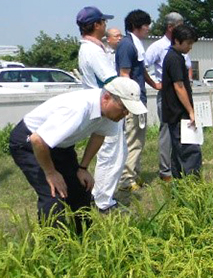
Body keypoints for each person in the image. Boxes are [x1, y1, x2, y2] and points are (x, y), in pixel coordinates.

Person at [9, 78, 146, 231]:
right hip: (30, 143)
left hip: (60, 146)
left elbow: (99, 135)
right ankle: (53, 246)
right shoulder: (78, 108)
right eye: (124, 108)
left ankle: (83, 238)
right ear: (107, 97)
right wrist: (51, 173)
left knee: (81, 190)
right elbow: (37, 140)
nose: (126, 113)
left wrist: (82, 168)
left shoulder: (110, 113)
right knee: (54, 194)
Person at [76, 6, 127, 213]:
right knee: (112, 154)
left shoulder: (91, 48)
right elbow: (111, 81)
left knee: (111, 152)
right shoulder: (93, 51)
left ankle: (99, 196)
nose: (105, 25)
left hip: (102, 106)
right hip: (107, 107)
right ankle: (103, 201)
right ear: (96, 25)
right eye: (103, 22)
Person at [115, 9, 161, 191]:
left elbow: (141, 70)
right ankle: (126, 180)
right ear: (136, 27)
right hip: (131, 101)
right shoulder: (127, 45)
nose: (148, 29)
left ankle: (134, 174)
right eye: (145, 26)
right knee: (132, 140)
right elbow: (124, 75)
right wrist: (128, 103)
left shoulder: (137, 44)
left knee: (139, 140)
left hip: (139, 99)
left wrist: (153, 84)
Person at [144, 12, 191, 182]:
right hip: (167, 95)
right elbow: (142, 67)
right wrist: (155, 84)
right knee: (166, 131)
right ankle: (165, 170)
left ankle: (180, 164)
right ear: (170, 27)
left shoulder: (183, 45)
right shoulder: (158, 47)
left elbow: (188, 66)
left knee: (181, 131)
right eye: (179, 25)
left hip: (182, 93)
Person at [161, 25, 202, 177]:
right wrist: (191, 111)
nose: (190, 47)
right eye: (188, 43)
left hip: (174, 112)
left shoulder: (175, 56)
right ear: (177, 41)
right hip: (178, 113)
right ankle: (193, 186)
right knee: (190, 149)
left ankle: (179, 184)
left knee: (178, 151)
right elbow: (179, 87)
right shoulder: (174, 58)